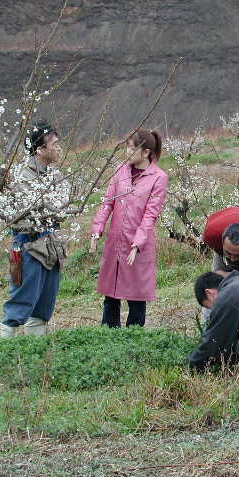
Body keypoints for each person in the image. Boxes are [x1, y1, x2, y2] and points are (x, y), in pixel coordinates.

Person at [90, 129, 169, 328]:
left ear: (146, 152)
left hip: (138, 245)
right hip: (116, 242)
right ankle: (108, 335)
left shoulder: (158, 177)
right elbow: (108, 202)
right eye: (127, 147)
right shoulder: (120, 170)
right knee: (111, 294)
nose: (127, 152)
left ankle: (134, 339)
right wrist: (96, 230)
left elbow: (150, 214)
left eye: (132, 149)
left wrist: (137, 243)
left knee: (136, 296)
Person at [0, 120, 68, 337]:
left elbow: (62, 209)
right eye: (53, 144)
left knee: (45, 302)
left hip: (51, 243)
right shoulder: (23, 176)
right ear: (40, 149)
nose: (58, 148)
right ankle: (6, 350)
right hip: (29, 243)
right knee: (22, 298)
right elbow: (28, 216)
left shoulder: (53, 174)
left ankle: (35, 353)